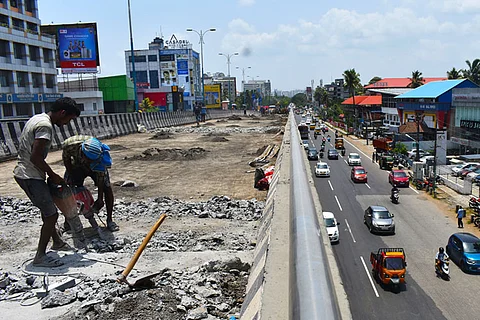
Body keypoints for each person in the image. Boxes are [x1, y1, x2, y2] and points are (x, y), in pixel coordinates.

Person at [13, 97, 81, 268]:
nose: (67, 123)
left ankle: (57, 242)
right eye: (69, 119)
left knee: (47, 209)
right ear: (62, 113)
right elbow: (35, 157)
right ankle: (40, 257)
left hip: (28, 173)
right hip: (30, 175)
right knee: (51, 215)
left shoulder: (38, 118)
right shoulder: (45, 126)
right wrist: (52, 175)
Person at [62, 135, 119, 232]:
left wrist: (100, 199)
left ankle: (110, 220)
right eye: (88, 159)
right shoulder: (70, 145)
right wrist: (72, 177)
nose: (88, 162)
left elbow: (101, 178)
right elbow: (66, 159)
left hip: (95, 166)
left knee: (107, 188)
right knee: (68, 190)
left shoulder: (100, 158)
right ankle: (68, 222)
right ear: (82, 152)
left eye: (90, 160)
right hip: (75, 165)